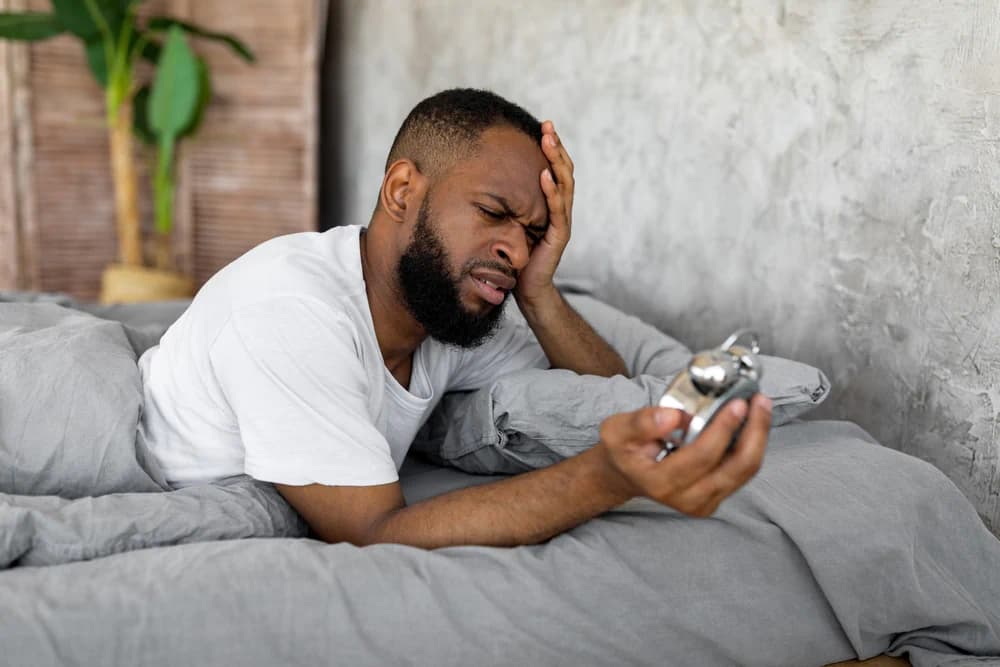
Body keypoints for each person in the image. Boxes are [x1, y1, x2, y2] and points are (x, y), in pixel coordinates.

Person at [137, 88, 773, 549]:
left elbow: (601, 388)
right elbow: (374, 531)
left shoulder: (444, 315)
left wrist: (541, 293)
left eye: (533, 232)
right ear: (402, 191)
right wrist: (608, 477)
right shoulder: (293, 314)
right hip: (132, 454)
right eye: (495, 211)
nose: (516, 249)